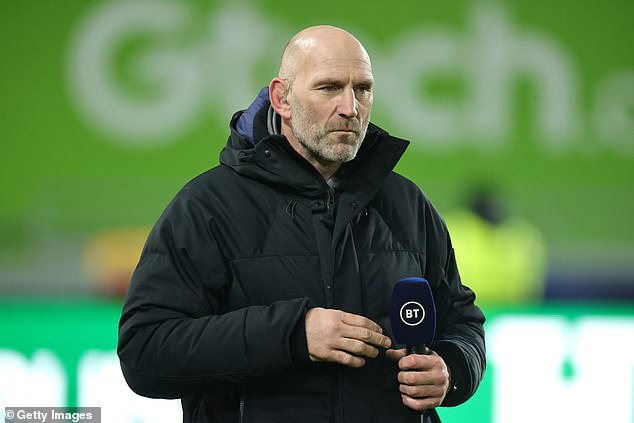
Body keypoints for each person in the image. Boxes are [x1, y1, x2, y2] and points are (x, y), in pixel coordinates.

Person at [118, 25, 486, 423]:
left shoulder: (408, 204)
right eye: (329, 88)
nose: (351, 108)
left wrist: (452, 369)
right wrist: (292, 334)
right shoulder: (207, 207)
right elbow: (145, 352)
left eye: (363, 89)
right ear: (282, 99)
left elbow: (462, 322)